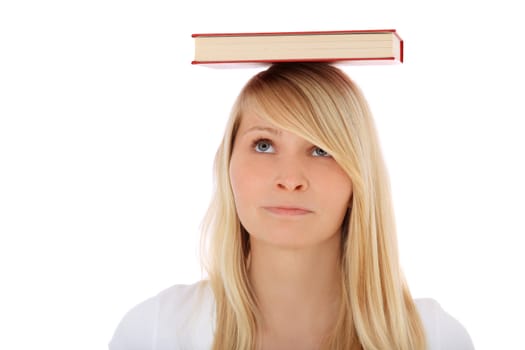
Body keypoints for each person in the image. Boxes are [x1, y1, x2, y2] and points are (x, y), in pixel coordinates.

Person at [109, 62, 474, 350]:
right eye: (264, 144)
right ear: (227, 164)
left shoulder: (432, 338)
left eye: (321, 149)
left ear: (358, 178)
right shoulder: (157, 331)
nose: (290, 178)